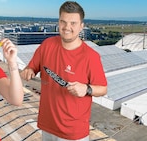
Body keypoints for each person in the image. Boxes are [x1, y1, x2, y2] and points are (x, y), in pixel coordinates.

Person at [20, 1, 107, 141]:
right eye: (63, 22)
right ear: (58, 22)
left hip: (73, 133)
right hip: (48, 126)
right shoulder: (47, 45)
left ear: (81, 26)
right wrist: (28, 71)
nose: (67, 27)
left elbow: (103, 89)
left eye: (73, 23)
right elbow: (31, 67)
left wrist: (87, 89)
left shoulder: (91, 57)